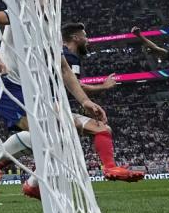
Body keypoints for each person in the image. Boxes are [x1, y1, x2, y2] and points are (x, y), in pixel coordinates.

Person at [0, 11, 143, 204]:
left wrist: (85, 101)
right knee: (47, 135)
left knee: (97, 129)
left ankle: (106, 167)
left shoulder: (51, 31)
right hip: (7, 85)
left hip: (37, 94)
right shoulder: (22, 10)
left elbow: (63, 69)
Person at [60, 22, 144, 181]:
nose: (88, 40)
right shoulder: (69, 56)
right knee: (99, 129)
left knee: (102, 129)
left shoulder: (67, 55)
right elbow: (75, 85)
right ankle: (110, 168)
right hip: (46, 106)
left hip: (49, 106)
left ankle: (111, 168)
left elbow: (72, 85)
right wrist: (103, 87)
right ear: (75, 38)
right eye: (85, 36)